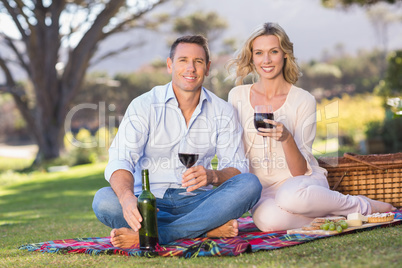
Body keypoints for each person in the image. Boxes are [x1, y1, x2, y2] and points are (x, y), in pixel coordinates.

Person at [92, 35, 262, 248]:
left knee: (250, 184)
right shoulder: (144, 105)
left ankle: (154, 235)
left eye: (198, 62)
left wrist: (213, 175)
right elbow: (120, 160)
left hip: (198, 202)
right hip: (148, 202)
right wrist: (127, 199)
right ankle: (203, 230)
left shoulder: (223, 111)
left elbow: (238, 168)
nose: (190, 68)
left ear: (207, 68)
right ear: (170, 64)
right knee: (104, 201)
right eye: (183, 60)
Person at [227, 22, 396, 232]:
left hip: (301, 184)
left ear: (285, 54)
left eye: (274, 51)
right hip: (263, 190)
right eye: (259, 53)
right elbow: (233, 149)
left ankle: (361, 206)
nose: (267, 60)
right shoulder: (237, 96)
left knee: (291, 196)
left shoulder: (302, 99)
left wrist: (286, 138)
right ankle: (333, 217)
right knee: (268, 222)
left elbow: (299, 171)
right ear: (252, 57)